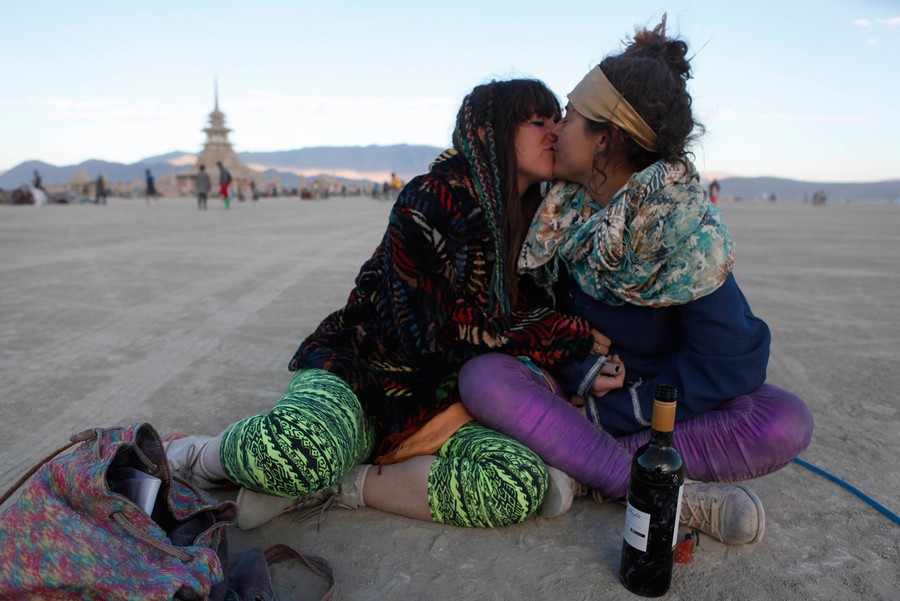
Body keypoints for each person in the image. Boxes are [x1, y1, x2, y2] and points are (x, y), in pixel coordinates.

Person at [165, 79, 606, 531]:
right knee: (296, 453)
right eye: (537, 122)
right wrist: (562, 335)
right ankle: (198, 456)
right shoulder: (432, 198)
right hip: (366, 379)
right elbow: (431, 332)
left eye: (557, 120)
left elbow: (529, 321)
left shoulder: (543, 221)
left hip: (444, 404)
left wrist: (579, 359)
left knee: (515, 483)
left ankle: (340, 484)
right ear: (487, 132)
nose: (555, 131)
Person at [458, 19, 814, 545]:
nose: (556, 131)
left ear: (605, 138)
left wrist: (626, 409)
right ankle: (650, 484)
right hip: (572, 394)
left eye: (570, 118)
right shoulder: (556, 210)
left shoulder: (683, 232)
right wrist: (580, 369)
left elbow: (732, 361)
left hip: (657, 406)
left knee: (784, 420)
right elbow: (530, 316)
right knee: (484, 376)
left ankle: (588, 470)